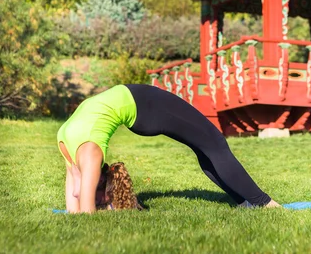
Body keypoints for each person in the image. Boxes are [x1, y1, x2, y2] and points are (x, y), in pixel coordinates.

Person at [57, 84, 281, 213]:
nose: (97, 201)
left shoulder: (72, 148)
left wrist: (106, 206)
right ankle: (265, 203)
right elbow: (86, 215)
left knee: (205, 147)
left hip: (143, 104)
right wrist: (105, 207)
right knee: (216, 144)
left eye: (100, 200)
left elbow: (76, 206)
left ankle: (244, 202)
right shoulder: (90, 152)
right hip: (144, 106)